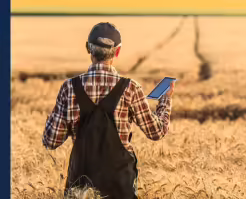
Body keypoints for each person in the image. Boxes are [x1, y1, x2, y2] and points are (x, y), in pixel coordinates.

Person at [42, 22, 175, 198]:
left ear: (88, 48)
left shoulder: (69, 88)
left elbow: (51, 141)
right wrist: (165, 99)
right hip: (120, 187)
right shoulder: (131, 88)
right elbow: (156, 132)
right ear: (117, 52)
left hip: (79, 189)